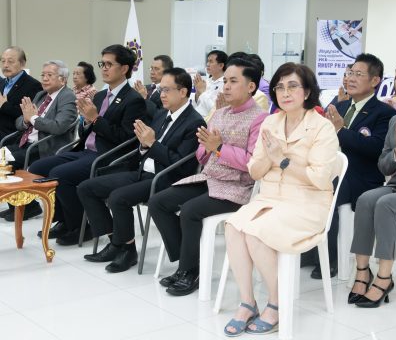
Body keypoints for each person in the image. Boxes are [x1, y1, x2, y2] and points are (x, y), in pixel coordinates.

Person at [223, 62, 338, 336]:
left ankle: (276, 304)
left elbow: (320, 178)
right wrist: (267, 157)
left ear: (307, 91)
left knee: (256, 234)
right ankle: (248, 302)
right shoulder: (271, 122)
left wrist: (282, 160)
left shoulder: (322, 127)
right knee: (233, 227)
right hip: (270, 199)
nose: (285, 93)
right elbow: (255, 171)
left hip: (308, 202)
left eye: (293, 86)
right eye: (280, 87)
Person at [148, 58, 267, 296]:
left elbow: (252, 163)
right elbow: (202, 153)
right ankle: (188, 262)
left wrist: (219, 148)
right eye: (225, 81)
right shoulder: (219, 113)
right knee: (158, 202)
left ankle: (189, 270)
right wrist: (207, 148)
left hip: (237, 187)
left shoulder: (261, 119)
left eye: (233, 81)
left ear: (251, 86)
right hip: (209, 179)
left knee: (190, 210)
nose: (226, 87)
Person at [77, 68, 205, 273]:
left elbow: (182, 165)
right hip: (142, 171)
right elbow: (145, 145)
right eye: (161, 90)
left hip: (165, 178)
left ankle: (128, 251)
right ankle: (117, 242)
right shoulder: (161, 114)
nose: (161, 94)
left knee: (118, 198)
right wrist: (145, 145)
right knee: (87, 188)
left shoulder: (195, 122)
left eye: (167, 90)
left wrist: (152, 144)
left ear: (183, 92)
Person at [29, 44, 147, 246]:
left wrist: (96, 119)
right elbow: (87, 132)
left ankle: (80, 227)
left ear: (124, 68)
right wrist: (86, 122)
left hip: (109, 156)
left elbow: (126, 138)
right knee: (38, 167)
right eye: (102, 64)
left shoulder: (133, 99)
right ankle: (64, 220)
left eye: (109, 64)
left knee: (61, 174)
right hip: (86, 150)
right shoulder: (100, 96)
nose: (104, 68)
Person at [309, 53, 396, 279]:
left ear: (375, 80)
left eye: (358, 74)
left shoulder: (385, 113)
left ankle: (328, 259)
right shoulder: (339, 105)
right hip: (331, 169)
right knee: (306, 182)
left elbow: (376, 149)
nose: (350, 78)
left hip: (362, 177)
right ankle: (308, 249)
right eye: (349, 73)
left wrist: (341, 131)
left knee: (329, 188)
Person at [2, 60, 77, 222]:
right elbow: (19, 121)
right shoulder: (41, 95)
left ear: (63, 79)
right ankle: (19, 204)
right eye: (43, 75)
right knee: (2, 157)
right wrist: (26, 120)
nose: (44, 78)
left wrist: (33, 118)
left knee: (5, 160)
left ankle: (28, 206)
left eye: (49, 75)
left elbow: (59, 126)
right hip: (26, 143)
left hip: (45, 147)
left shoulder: (67, 96)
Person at [348, 115, 396, 308]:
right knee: (365, 200)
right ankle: (363, 271)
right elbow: (384, 166)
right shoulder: (395, 121)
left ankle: (384, 278)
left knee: (386, 204)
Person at [0, 46, 42, 140]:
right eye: (3, 61)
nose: (5, 65)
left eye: (10, 61)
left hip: (13, 136)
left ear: (22, 64)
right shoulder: (1, 82)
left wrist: (5, 105)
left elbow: (30, 116)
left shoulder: (33, 85)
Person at [133, 55, 173, 119]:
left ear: (167, 71)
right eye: (151, 68)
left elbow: (161, 116)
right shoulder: (145, 88)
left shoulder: (171, 91)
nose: (152, 72)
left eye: (156, 69)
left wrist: (145, 98)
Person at [192, 50, 228, 117]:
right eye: (208, 61)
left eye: (211, 61)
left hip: (209, 119)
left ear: (221, 65)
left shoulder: (225, 84)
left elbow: (214, 110)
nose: (208, 64)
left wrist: (202, 92)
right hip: (196, 116)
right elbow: (197, 105)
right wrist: (198, 92)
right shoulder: (206, 81)